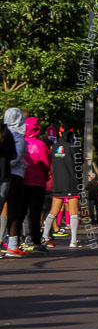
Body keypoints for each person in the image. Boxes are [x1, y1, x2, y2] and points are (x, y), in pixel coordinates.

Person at [41, 126, 83, 248]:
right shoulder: (74, 147)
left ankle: (45, 236)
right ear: (72, 134)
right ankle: (74, 240)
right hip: (71, 182)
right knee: (73, 211)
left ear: (60, 133)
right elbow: (80, 163)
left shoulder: (53, 148)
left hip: (57, 182)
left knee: (53, 211)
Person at [1, 108, 28, 256]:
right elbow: (15, 158)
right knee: (13, 212)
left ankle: (7, 243)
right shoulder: (17, 136)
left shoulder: (4, 134)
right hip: (15, 176)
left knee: (5, 211)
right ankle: (12, 245)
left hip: (4, 175)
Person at [23, 117, 52, 246]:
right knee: (35, 213)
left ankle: (20, 238)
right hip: (38, 182)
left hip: (23, 181)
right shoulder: (40, 145)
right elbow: (47, 163)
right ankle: (35, 239)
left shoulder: (21, 143)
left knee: (21, 212)